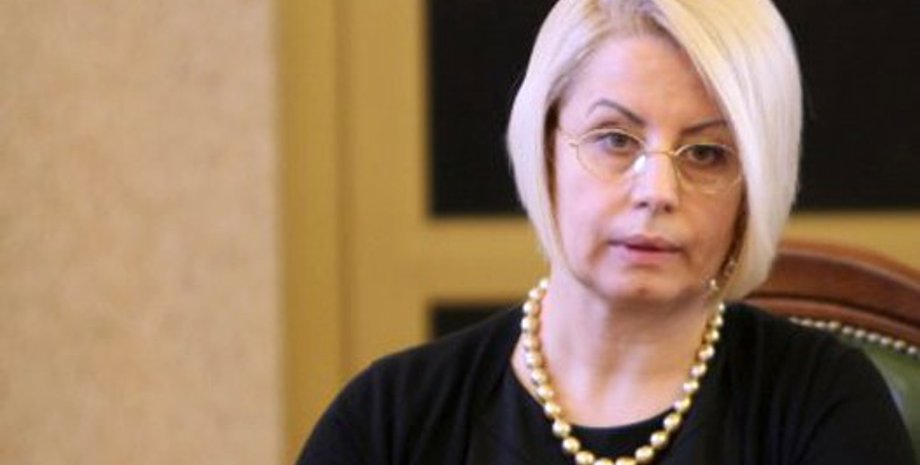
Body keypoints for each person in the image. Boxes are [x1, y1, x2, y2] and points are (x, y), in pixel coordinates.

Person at [298, 0, 915, 463]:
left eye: (706, 154)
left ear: (753, 188)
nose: (657, 190)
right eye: (616, 140)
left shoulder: (825, 404)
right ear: (545, 150)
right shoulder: (391, 419)